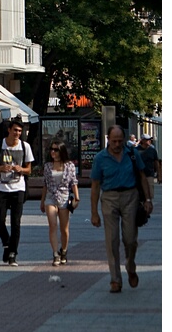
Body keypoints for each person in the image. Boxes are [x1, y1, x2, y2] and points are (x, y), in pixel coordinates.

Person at [91, 125, 152, 293]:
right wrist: (94, 212)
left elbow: (142, 176)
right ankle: (115, 280)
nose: (117, 144)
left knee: (130, 239)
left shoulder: (132, 154)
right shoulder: (100, 158)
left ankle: (130, 265)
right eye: (114, 141)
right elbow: (95, 186)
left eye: (120, 141)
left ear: (124, 140)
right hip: (109, 197)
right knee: (112, 240)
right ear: (108, 140)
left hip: (130, 196)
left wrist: (148, 199)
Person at [0, 117, 34, 267]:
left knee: (16, 222)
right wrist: (1, 168)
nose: (17, 133)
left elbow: (29, 170)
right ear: (9, 130)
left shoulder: (25, 147)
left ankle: (13, 253)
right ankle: (7, 244)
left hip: (18, 188)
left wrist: (21, 169)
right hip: (1, 188)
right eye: (15, 130)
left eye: (20, 131)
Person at [40, 140, 80, 266]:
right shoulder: (47, 166)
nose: (53, 152)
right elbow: (45, 184)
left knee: (64, 228)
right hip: (51, 197)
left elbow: (73, 182)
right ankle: (55, 253)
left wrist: (77, 198)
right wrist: (42, 201)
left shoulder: (69, 166)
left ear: (61, 151)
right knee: (52, 225)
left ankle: (64, 250)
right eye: (51, 149)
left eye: (56, 150)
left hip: (64, 197)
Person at [136, 134, 161, 199]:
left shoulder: (152, 150)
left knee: (150, 194)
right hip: (138, 176)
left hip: (149, 175)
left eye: (150, 139)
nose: (150, 141)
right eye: (148, 140)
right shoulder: (136, 150)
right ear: (143, 140)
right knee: (138, 195)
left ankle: (148, 204)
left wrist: (159, 175)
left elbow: (156, 163)